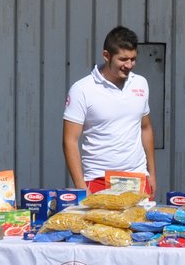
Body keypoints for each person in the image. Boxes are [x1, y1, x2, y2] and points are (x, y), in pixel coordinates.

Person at [62, 26, 157, 196]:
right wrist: (81, 186)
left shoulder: (140, 83)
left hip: (138, 177)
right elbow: (70, 140)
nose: (129, 65)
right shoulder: (82, 89)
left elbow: (146, 127)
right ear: (106, 56)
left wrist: (152, 174)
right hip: (99, 179)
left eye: (133, 59)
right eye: (123, 59)